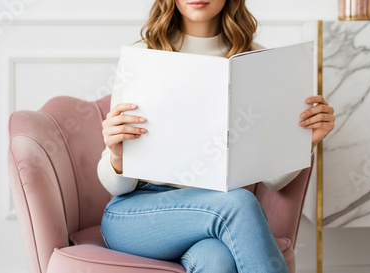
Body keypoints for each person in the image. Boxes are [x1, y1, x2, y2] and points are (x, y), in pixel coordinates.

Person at [98, 0, 335, 272]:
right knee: (239, 201)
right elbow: (116, 187)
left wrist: (308, 141)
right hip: (137, 212)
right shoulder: (144, 55)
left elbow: (273, 180)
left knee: (216, 261)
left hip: (213, 214)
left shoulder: (256, 60)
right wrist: (117, 154)